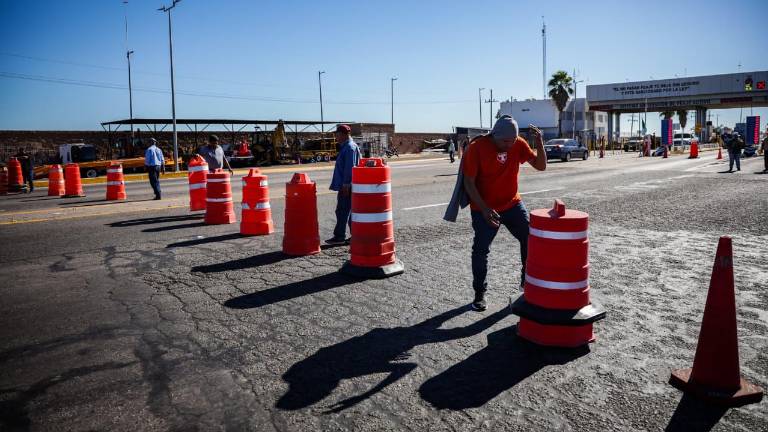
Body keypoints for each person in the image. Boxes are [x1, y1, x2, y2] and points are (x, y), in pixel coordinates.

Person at [462, 115, 547, 311]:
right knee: (481, 250)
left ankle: (526, 282)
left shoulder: (518, 144)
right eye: (505, 141)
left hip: (512, 204)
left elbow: (541, 166)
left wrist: (540, 142)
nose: (509, 145)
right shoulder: (477, 148)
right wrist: (484, 209)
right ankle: (479, 294)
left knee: (530, 238)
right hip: (484, 208)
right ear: (494, 135)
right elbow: (469, 182)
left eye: (512, 140)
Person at [325, 124, 361, 245]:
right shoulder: (347, 146)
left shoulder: (349, 147)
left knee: (343, 210)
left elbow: (350, 168)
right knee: (346, 211)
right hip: (347, 185)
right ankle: (352, 235)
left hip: (347, 186)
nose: (336, 137)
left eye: (338, 135)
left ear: (345, 135)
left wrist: (346, 184)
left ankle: (341, 236)